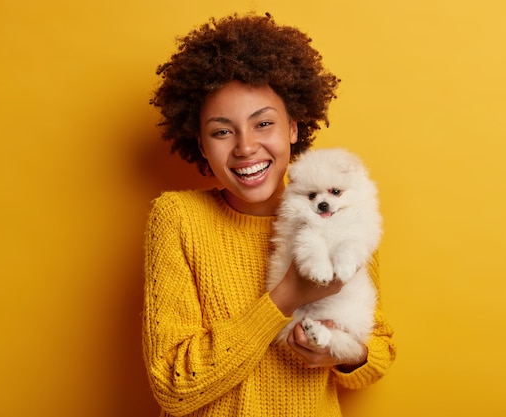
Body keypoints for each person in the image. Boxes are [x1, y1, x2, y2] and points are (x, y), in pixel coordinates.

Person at [143, 13, 396, 417]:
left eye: (263, 123)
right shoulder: (178, 218)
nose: (245, 147)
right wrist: (285, 297)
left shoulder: (340, 210)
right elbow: (174, 386)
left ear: (294, 128)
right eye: (222, 131)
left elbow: (378, 350)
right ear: (201, 144)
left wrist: (340, 354)